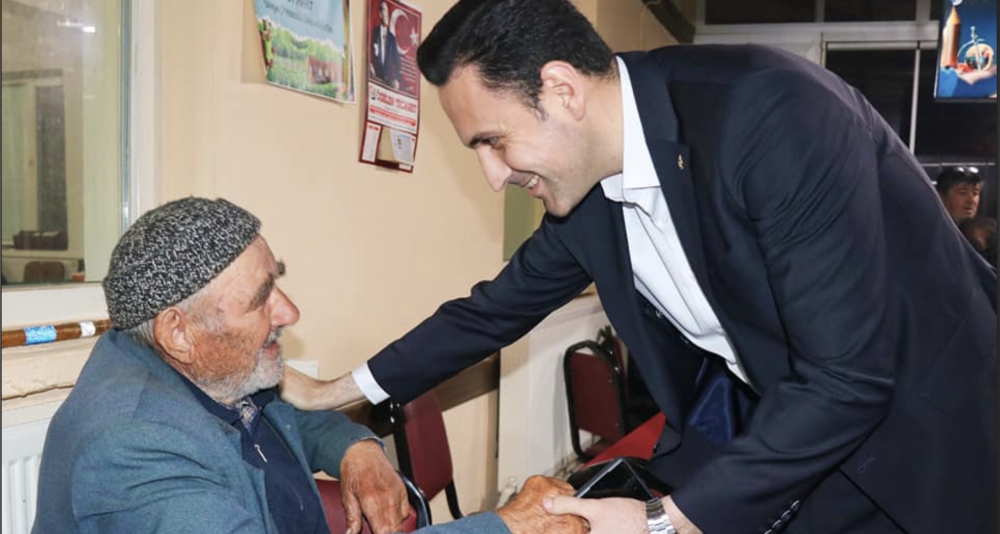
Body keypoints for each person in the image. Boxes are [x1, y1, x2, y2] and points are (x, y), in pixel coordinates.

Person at [281, 1, 997, 534]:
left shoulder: (771, 113)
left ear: (562, 90)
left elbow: (849, 379)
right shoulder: (587, 191)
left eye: (493, 142)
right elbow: (490, 312)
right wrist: (329, 391)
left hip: (932, 434)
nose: (493, 177)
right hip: (794, 433)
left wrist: (663, 522)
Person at [30, 197, 584, 534]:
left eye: (278, 281)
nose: (290, 312)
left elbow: (291, 415)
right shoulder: (133, 446)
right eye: (261, 299)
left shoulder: (208, 367)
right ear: (178, 332)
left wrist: (357, 449)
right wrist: (505, 526)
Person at [369, 0, 401, 90]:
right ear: (380, 14)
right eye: (384, 10)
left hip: (387, 83)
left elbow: (398, 62)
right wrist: (370, 65)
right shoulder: (374, 32)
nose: (387, 15)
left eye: (387, 11)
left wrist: (397, 79)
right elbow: (369, 52)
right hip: (375, 79)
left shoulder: (392, 38)